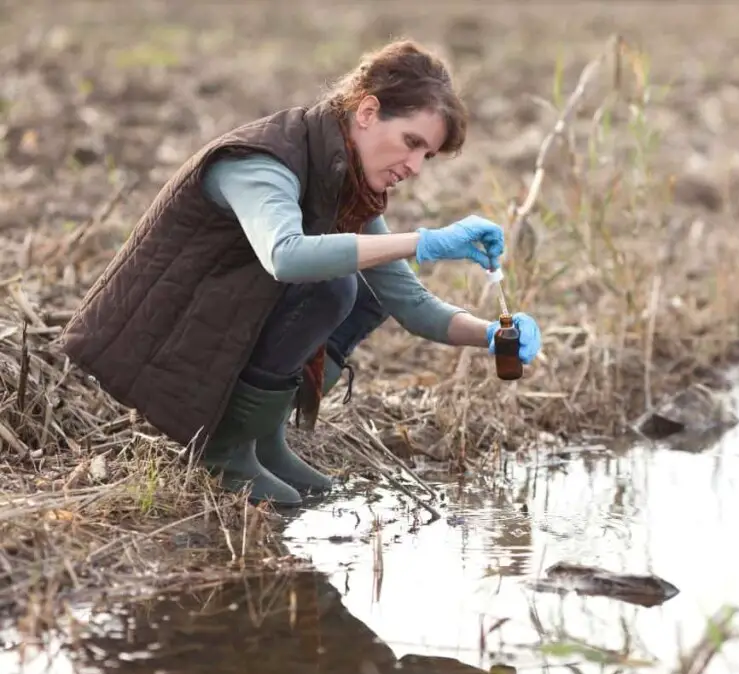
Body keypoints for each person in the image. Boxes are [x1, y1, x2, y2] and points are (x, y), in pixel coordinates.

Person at [59, 39, 543, 508]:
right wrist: (425, 241)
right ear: (368, 112)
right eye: (411, 143)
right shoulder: (264, 161)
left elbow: (408, 304)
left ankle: (265, 444)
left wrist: (495, 336)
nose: (415, 166)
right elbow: (285, 257)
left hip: (219, 329)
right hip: (161, 342)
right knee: (332, 284)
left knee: (367, 283)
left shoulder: (344, 180)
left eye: (427, 155)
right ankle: (223, 450)